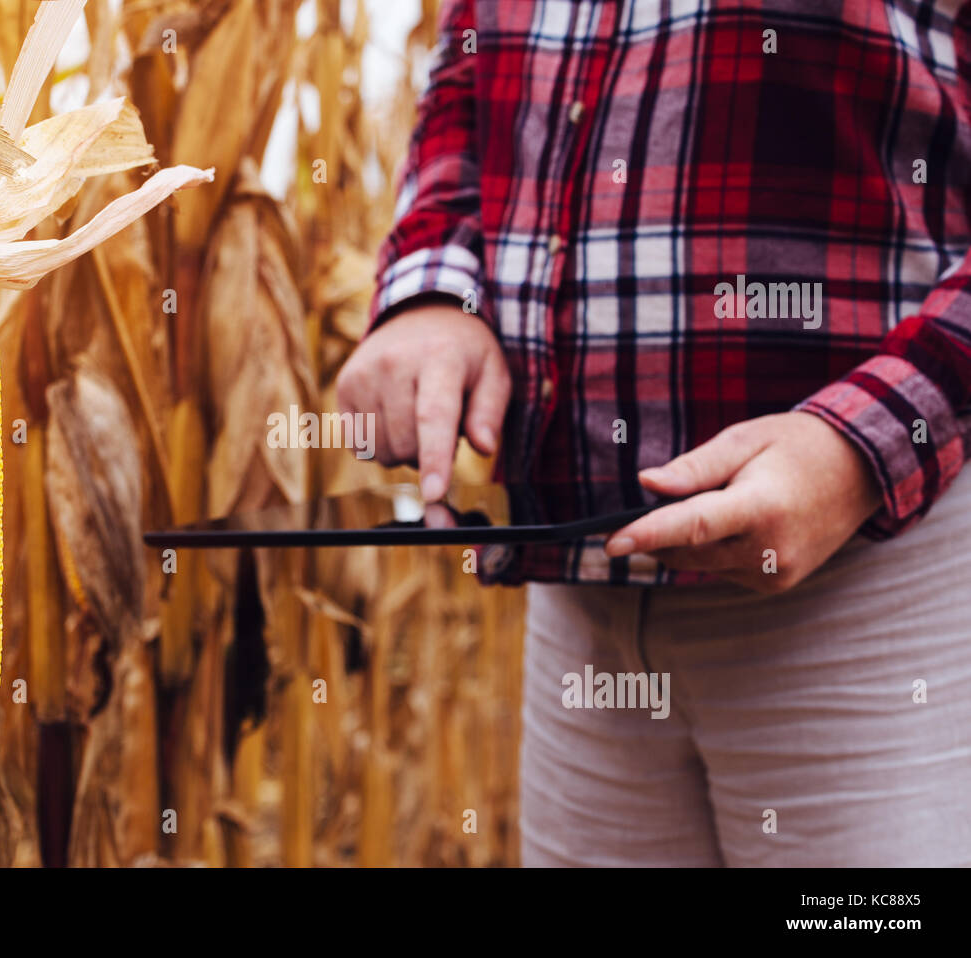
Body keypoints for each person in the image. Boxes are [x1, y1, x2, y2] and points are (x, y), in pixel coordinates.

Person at [337, 0, 971, 866]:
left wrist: (864, 441)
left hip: (881, 586)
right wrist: (434, 290)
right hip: (580, 603)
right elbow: (465, 71)